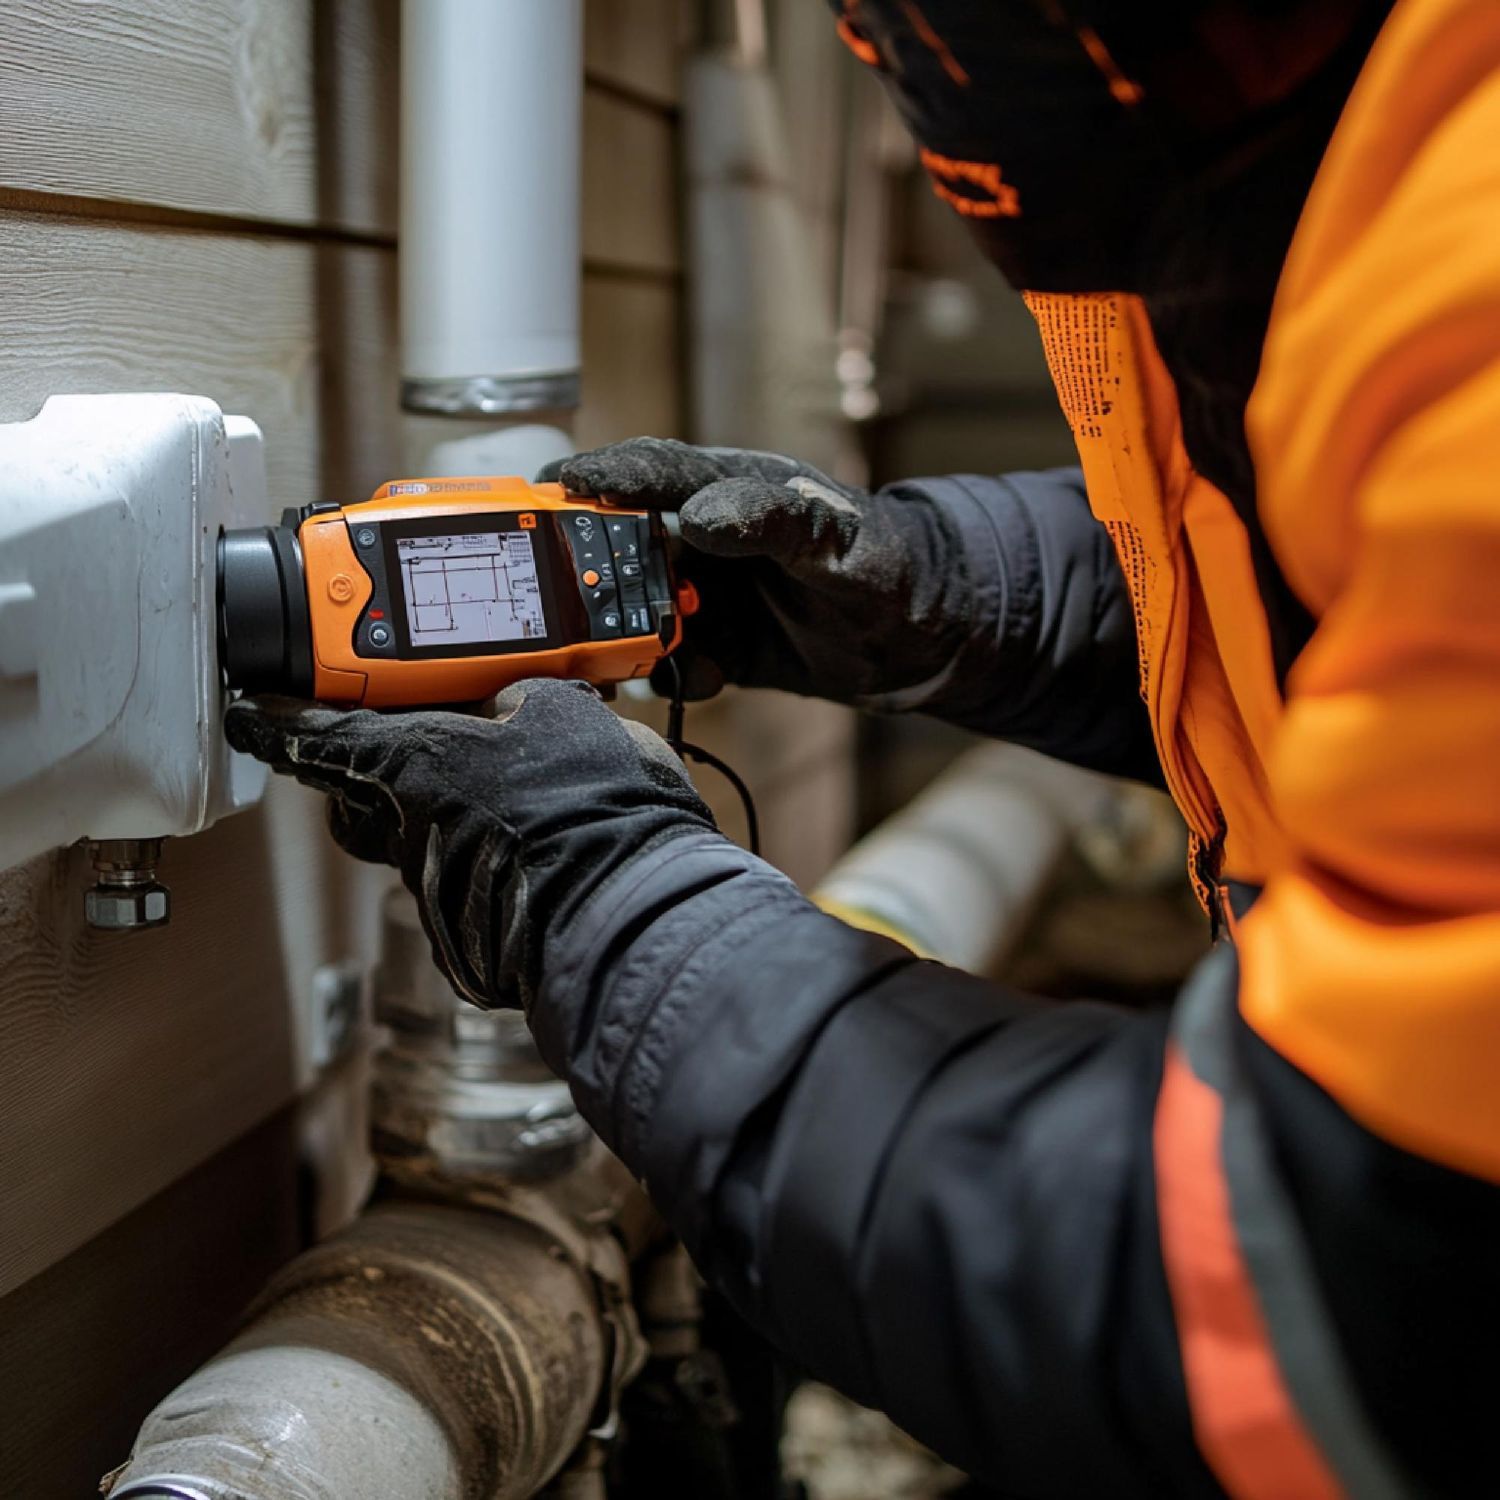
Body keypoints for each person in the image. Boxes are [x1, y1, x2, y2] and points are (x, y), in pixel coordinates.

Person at [226, 1, 1500, 1494]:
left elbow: (1294, 1303)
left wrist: (612, 910)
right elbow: (1352, 591)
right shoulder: (1330, 136)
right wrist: (955, 594)